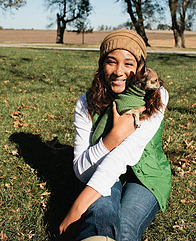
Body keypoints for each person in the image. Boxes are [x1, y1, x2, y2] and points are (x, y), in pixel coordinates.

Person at [59, 30, 172, 241]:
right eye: (111, 62)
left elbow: (125, 155)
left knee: (125, 229)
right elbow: (81, 169)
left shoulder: (156, 96)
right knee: (100, 218)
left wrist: (77, 206)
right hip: (101, 171)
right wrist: (113, 137)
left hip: (147, 177)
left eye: (128, 64)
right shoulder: (85, 103)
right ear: (102, 65)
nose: (119, 71)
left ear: (140, 69)